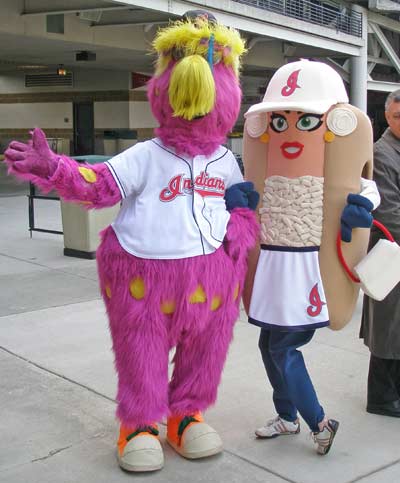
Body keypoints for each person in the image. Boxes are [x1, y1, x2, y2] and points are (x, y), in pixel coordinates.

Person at [242, 60, 380, 455]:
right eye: (279, 123)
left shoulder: (337, 169)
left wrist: (359, 212)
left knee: (284, 348)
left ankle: (319, 421)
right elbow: (243, 190)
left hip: (309, 273)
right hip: (271, 269)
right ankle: (286, 416)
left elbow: (368, 191)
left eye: (306, 122)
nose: (288, 132)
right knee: (268, 343)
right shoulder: (263, 168)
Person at [361, 89, 400, 418]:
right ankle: (382, 399)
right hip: (390, 254)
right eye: (398, 116)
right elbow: (388, 213)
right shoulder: (382, 153)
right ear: (387, 117)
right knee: (389, 329)